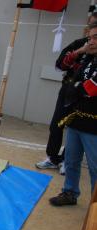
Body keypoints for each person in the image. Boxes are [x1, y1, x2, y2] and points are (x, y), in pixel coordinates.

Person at [36, 13, 97, 173]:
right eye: (90, 27)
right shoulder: (79, 44)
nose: (91, 34)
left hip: (88, 99)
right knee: (57, 123)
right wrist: (80, 51)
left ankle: (66, 160)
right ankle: (52, 158)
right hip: (69, 91)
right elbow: (60, 65)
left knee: (76, 129)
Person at [49, 23, 97, 206]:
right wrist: (75, 88)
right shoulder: (87, 59)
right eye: (89, 37)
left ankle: (95, 206)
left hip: (94, 124)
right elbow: (65, 68)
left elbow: (90, 89)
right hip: (76, 118)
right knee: (71, 160)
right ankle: (69, 192)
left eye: (95, 37)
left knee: (95, 167)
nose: (90, 41)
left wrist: (75, 88)